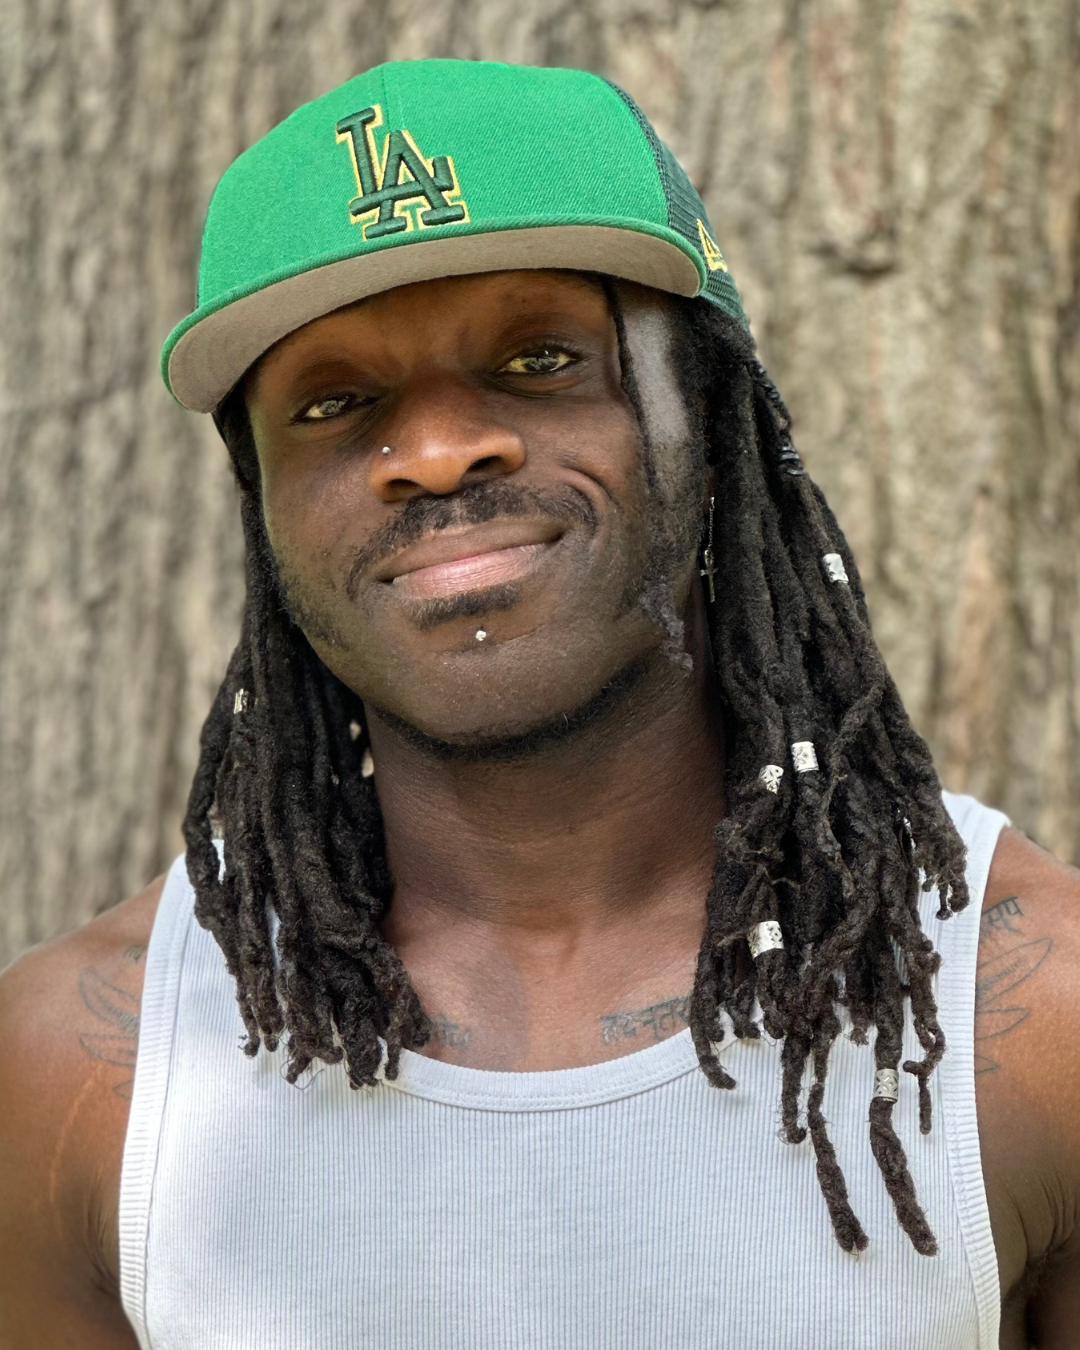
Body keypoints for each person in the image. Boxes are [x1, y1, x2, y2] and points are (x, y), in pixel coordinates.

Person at [1, 57, 1078, 1350]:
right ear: (264, 503)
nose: (440, 451)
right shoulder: (82, 1077)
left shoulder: (1031, 1020)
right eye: (337, 402)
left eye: (538, 356)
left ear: (711, 414)